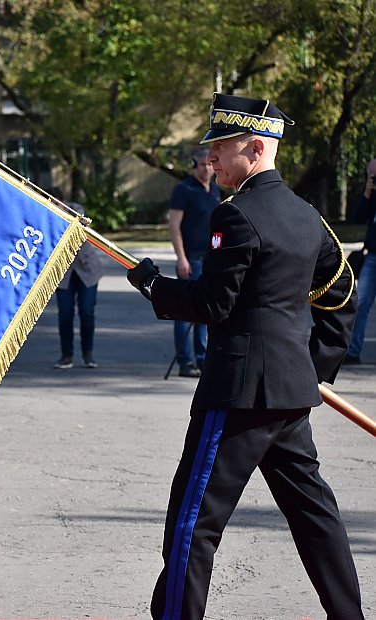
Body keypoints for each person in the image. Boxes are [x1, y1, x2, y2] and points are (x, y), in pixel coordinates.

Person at [127, 93, 363, 619]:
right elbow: (341, 295)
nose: (211, 158)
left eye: (221, 148)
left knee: (193, 524)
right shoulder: (309, 218)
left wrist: (153, 285)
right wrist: (313, 368)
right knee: (314, 516)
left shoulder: (235, 217)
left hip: (237, 397)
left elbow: (213, 303)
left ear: (254, 149)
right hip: (289, 395)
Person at [168, 148, 221, 377]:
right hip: (190, 259)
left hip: (209, 259)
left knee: (204, 311)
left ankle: (202, 359)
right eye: (202, 165)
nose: (207, 168)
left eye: (210, 164)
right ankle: (185, 362)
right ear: (193, 166)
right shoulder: (184, 189)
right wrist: (181, 257)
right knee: (184, 313)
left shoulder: (215, 190)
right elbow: (174, 226)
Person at [53, 202, 103, 369]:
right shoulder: (49, 220)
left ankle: (88, 354)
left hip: (87, 271)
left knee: (87, 312)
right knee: (65, 314)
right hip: (64, 273)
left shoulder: (77, 213)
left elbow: (80, 228)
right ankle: (66, 356)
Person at [345, 157, 376, 364]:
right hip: (372, 256)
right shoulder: (372, 194)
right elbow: (357, 217)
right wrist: (367, 191)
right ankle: (353, 351)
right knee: (361, 301)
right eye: (372, 176)